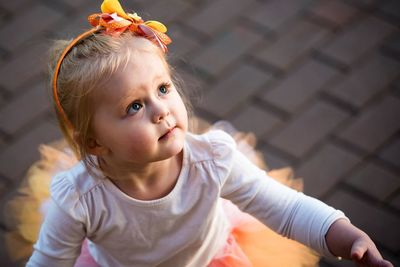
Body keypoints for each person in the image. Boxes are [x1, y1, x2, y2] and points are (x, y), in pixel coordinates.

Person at [26, 0, 393, 266]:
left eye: (163, 89)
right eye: (134, 106)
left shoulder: (212, 161)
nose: (160, 111)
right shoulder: (80, 200)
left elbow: (287, 209)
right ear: (94, 142)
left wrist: (344, 235)